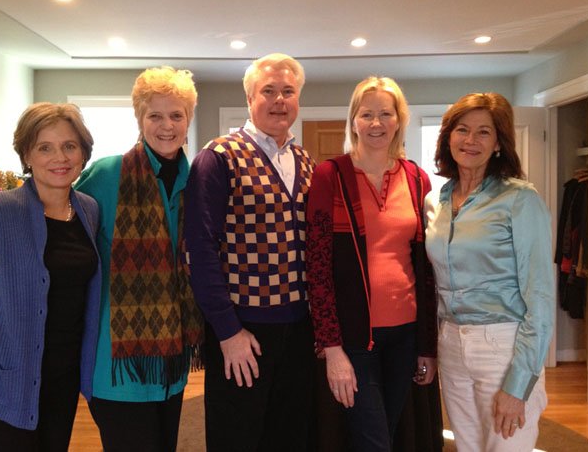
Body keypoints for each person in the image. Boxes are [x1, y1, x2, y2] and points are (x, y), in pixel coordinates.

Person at [0, 103, 101, 452]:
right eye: (45, 147)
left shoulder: (89, 210)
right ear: (27, 154)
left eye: (69, 146)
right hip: (5, 388)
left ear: (83, 152)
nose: (59, 157)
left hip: (63, 382)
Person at [185, 53, 315, 451]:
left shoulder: (306, 162)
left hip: (299, 329)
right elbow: (199, 249)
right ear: (249, 98)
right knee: (237, 436)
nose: (279, 100)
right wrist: (227, 331)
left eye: (288, 92)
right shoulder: (219, 157)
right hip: (244, 330)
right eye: (269, 91)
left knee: (290, 435)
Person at [72, 66, 204, 451]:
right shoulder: (105, 175)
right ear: (139, 118)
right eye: (155, 115)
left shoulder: (195, 180)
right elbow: (56, 237)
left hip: (171, 363)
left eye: (176, 115)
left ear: (188, 119)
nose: (166, 126)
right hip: (116, 364)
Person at [306, 76, 439, 452]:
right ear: (353, 121)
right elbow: (317, 266)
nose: (376, 124)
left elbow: (426, 269)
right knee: (373, 440)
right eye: (367, 115)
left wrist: (427, 345)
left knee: (389, 433)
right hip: (354, 338)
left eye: (386, 114)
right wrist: (331, 347)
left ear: (399, 120)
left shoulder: (416, 178)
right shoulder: (330, 176)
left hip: (406, 334)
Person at [425, 92, 554, 451]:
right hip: (450, 342)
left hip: (503, 344)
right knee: (468, 446)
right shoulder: (434, 202)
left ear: (499, 143)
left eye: (484, 132)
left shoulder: (519, 200)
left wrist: (518, 384)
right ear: (448, 136)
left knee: (508, 445)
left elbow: (540, 296)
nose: (470, 140)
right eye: (462, 129)